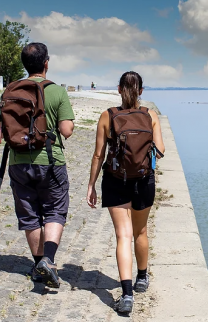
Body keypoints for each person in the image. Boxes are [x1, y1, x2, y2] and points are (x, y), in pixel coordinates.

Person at [86, 71, 165, 314]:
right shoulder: (150, 115)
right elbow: (161, 150)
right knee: (141, 231)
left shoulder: (107, 116)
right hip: (143, 181)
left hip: (114, 180)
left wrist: (91, 185)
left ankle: (127, 294)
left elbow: (99, 154)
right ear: (141, 91)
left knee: (123, 236)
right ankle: (142, 277)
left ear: (119, 89)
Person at [7, 43, 75, 287]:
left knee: (30, 214)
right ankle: (48, 259)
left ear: (25, 64)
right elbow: (66, 131)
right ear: (46, 63)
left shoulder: (10, 90)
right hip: (50, 161)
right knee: (55, 210)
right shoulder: (56, 91)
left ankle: (38, 266)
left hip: (17, 161)